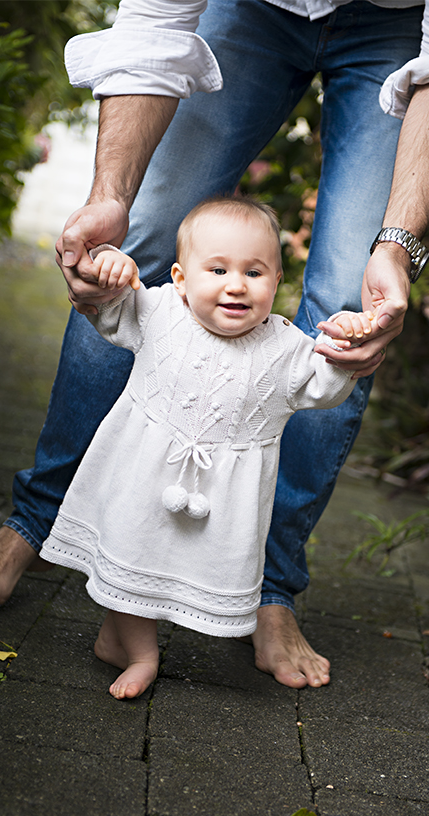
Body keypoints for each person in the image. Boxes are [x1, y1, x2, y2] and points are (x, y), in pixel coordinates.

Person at [0, 0, 429, 690]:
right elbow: (154, 26)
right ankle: (38, 523)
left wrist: (396, 248)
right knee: (132, 240)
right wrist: (108, 193)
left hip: (400, 26)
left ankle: (269, 590)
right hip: (249, 8)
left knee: (348, 303)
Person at [41, 196, 375, 700]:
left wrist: (346, 349)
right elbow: (107, 309)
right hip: (140, 475)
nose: (236, 284)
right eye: (217, 269)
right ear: (180, 277)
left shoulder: (287, 350)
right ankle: (138, 650)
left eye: (255, 272)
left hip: (220, 501)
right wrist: (110, 267)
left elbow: (326, 385)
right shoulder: (158, 312)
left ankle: (116, 638)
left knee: (174, 561)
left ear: (278, 282)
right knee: (131, 548)